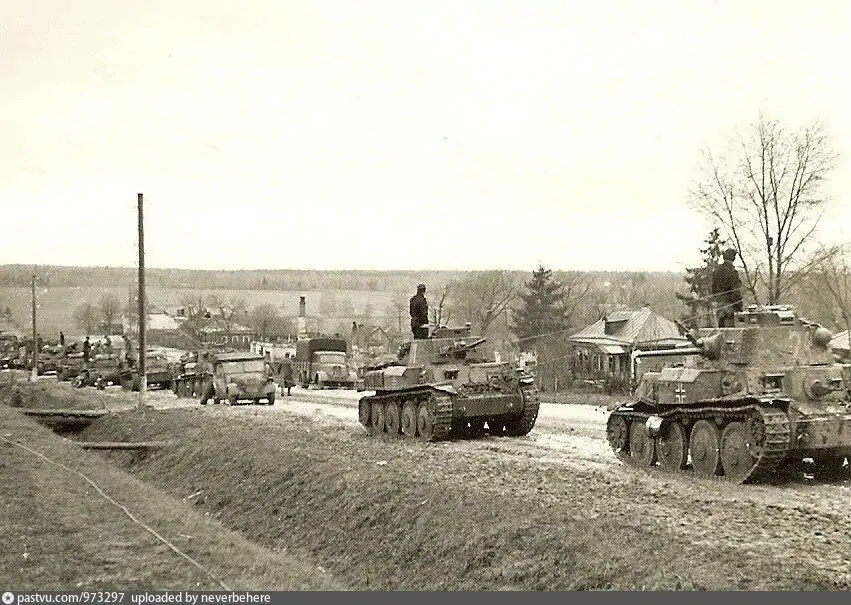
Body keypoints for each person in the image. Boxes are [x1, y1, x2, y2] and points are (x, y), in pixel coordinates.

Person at [711, 248, 744, 327]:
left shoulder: (716, 271)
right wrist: (739, 306)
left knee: (721, 330)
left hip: (718, 305)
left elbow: (713, 288)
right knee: (730, 333)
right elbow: (736, 291)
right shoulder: (732, 272)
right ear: (733, 258)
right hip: (729, 305)